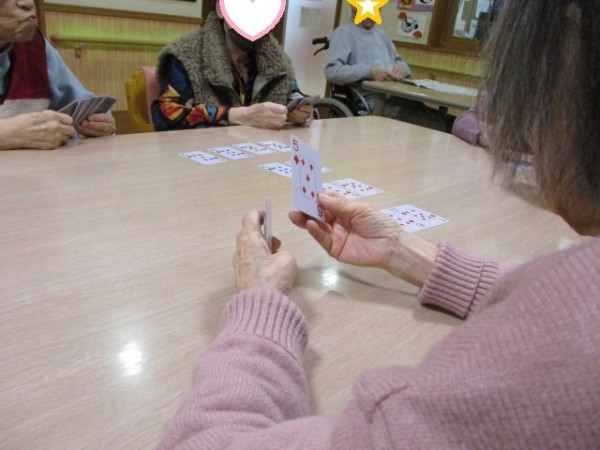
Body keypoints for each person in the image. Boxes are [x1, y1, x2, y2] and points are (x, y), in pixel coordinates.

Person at [158, 0, 599, 448]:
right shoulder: (187, 53)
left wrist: (260, 299)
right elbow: (166, 113)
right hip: (195, 185)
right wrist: (406, 252)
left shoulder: (274, 54)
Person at [151, 1, 312, 131]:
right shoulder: (186, 54)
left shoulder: (277, 59)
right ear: (220, 9)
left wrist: (304, 113)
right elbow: (166, 115)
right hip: (205, 155)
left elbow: (295, 97)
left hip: (262, 153)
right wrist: (237, 116)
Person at [0, 0, 116, 150]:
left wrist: (97, 124)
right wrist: (6, 135)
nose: (27, 3)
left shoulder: (35, 49)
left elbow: (83, 106)